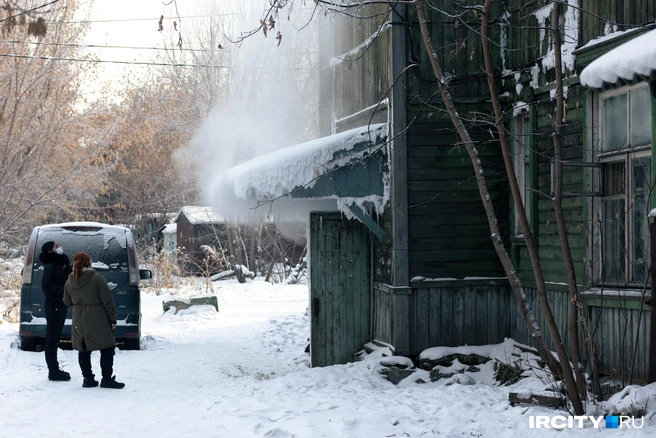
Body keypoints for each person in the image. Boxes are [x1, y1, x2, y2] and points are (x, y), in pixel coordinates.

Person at [63, 252, 125, 389]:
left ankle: (88, 378)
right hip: (98, 317)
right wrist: (112, 318)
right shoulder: (97, 278)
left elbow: (67, 301)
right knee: (107, 347)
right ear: (89, 263)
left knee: (83, 348)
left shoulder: (69, 281)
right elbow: (107, 300)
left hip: (79, 318)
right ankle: (107, 379)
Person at [39, 241, 72, 382]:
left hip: (61, 304)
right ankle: (53, 370)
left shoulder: (61, 264)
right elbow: (46, 287)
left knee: (56, 337)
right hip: (53, 305)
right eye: (56, 246)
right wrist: (65, 291)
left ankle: (55, 369)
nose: (59, 248)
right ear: (50, 251)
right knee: (52, 338)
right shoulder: (51, 266)